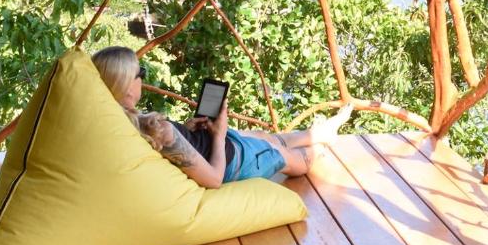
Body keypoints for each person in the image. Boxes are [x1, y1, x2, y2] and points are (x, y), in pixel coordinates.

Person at [91, 46, 353, 188]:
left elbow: (174, 147)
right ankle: (321, 148)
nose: (143, 79)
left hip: (213, 145)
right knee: (290, 157)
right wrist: (218, 135)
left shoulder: (122, 123)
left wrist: (188, 130)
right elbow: (215, 178)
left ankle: (320, 133)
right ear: (126, 87)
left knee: (264, 136)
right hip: (230, 160)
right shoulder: (160, 132)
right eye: (141, 73)